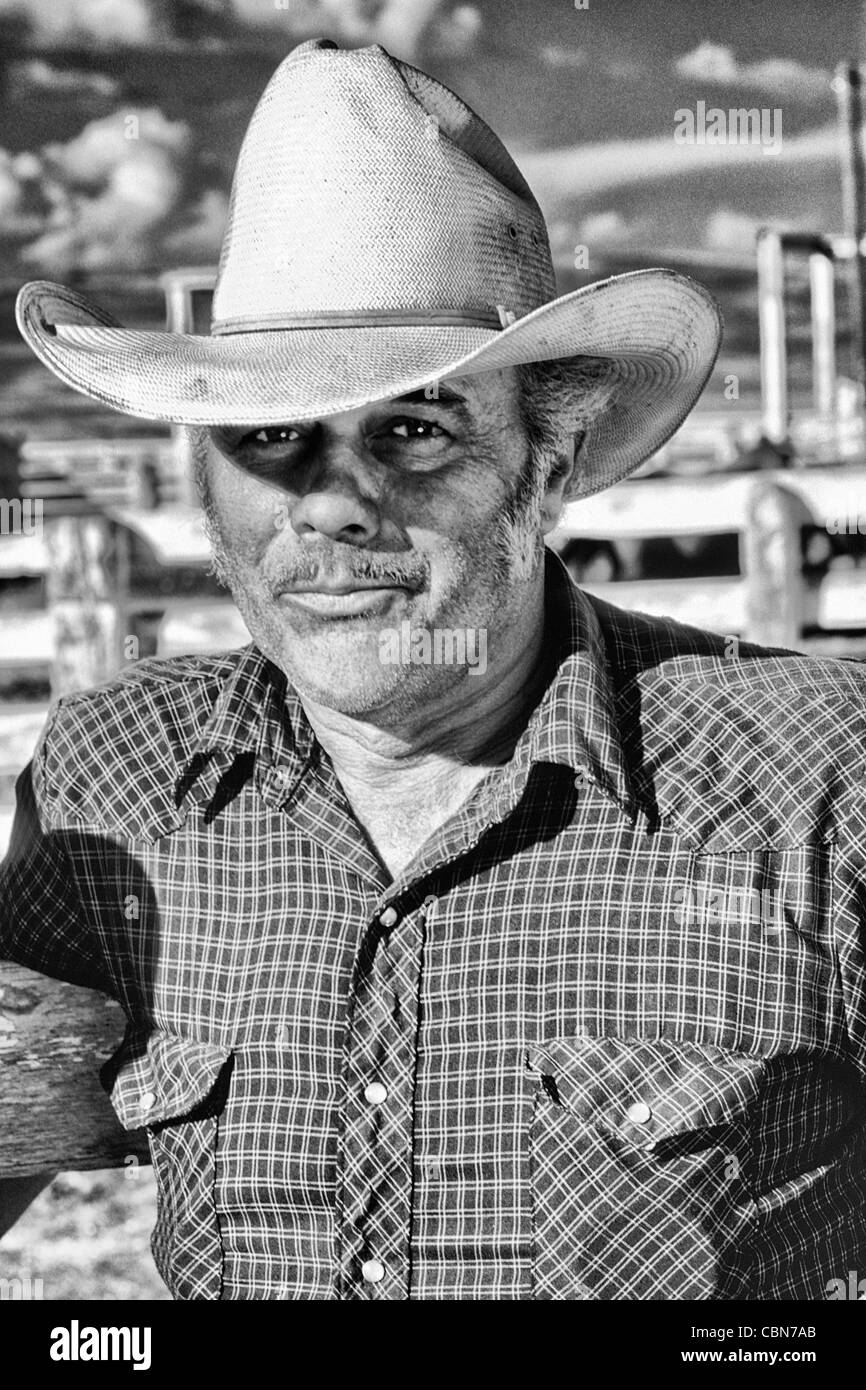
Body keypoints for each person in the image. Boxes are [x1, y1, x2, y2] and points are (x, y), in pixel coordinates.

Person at [3, 37, 866, 1302]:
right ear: (201, 481)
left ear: (550, 460)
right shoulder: (114, 782)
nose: (334, 504)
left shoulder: (810, 778)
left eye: (413, 425)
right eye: (267, 435)